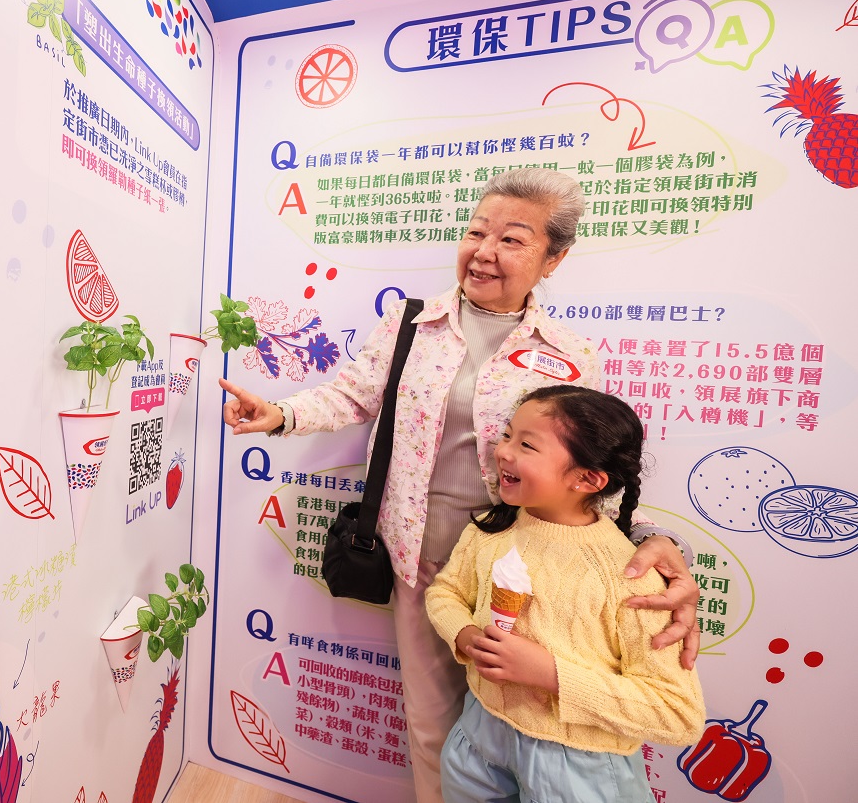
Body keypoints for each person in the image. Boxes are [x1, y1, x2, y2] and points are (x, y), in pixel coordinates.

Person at [218, 167, 699, 803]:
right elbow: (354, 395)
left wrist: (649, 540)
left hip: (524, 567)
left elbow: (589, 466)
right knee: (432, 724)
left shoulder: (570, 353)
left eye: (513, 239)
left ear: (553, 259)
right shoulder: (412, 324)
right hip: (421, 553)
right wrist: (281, 414)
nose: (485, 251)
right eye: (477, 232)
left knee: (513, 729)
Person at [424, 386, 704, 802]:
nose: (503, 452)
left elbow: (678, 713)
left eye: (527, 445)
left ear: (587, 478)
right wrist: (464, 635)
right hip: (479, 732)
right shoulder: (491, 529)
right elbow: (445, 592)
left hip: (579, 763)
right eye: (507, 435)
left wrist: (551, 675)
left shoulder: (632, 576)